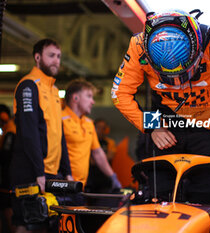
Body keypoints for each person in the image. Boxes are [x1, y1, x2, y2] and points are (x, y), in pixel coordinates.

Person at [111, 9, 210, 205]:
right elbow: (119, 92)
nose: (176, 81)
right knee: (161, 197)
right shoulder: (138, 46)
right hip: (163, 122)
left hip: (207, 122)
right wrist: (151, 127)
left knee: (206, 197)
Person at [11, 38, 73, 233]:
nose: (56, 61)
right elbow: (29, 133)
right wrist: (38, 172)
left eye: (59, 57)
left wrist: (67, 171)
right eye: (51, 56)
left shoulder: (55, 91)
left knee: (47, 225)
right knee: (27, 223)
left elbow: (59, 135)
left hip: (51, 172)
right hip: (30, 170)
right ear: (38, 58)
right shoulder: (28, 86)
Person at [62, 79, 121, 201]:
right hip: (62, 186)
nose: (93, 102)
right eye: (89, 96)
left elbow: (98, 153)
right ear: (75, 98)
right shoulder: (60, 120)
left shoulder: (89, 124)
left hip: (80, 188)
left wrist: (112, 176)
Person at [0, 104, 16, 233]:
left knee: (7, 207)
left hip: (8, 179)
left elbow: (5, 155)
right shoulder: (7, 129)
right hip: (8, 177)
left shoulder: (10, 130)